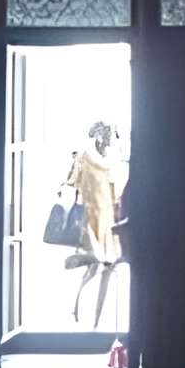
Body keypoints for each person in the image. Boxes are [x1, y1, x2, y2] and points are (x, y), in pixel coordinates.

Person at [65, 119, 122, 328]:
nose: (107, 140)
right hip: (92, 219)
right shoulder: (86, 159)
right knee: (96, 266)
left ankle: (94, 320)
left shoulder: (110, 162)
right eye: (105, 136)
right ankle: (79, 307)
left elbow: (114, 193)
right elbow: (73, 184)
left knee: (105, 268)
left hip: (107, 221)